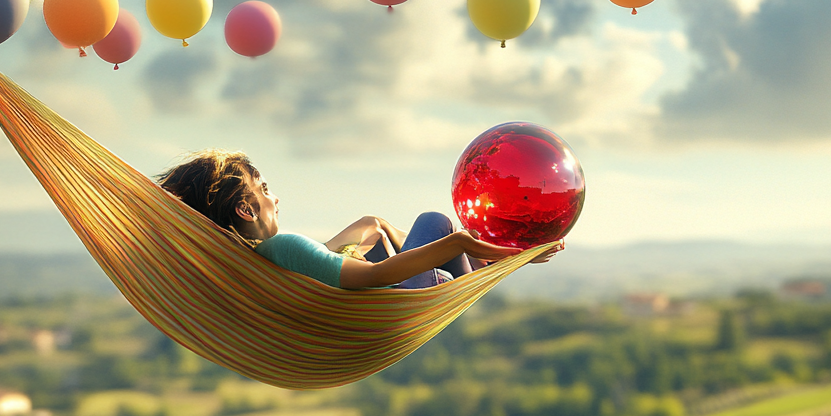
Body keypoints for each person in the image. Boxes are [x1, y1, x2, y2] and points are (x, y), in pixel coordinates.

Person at [157, 150, 563, 289]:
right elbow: (370, 278)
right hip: (402, 300)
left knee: (388, 228)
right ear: (245, 210)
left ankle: (490, 262)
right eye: (264, 192)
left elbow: (323, 260)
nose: (275, 199)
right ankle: (497, 259)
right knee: (436, 221)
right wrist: (463, 244)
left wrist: (372, 225)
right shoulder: (283, 246)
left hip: (399, 297)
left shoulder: (263, 255)